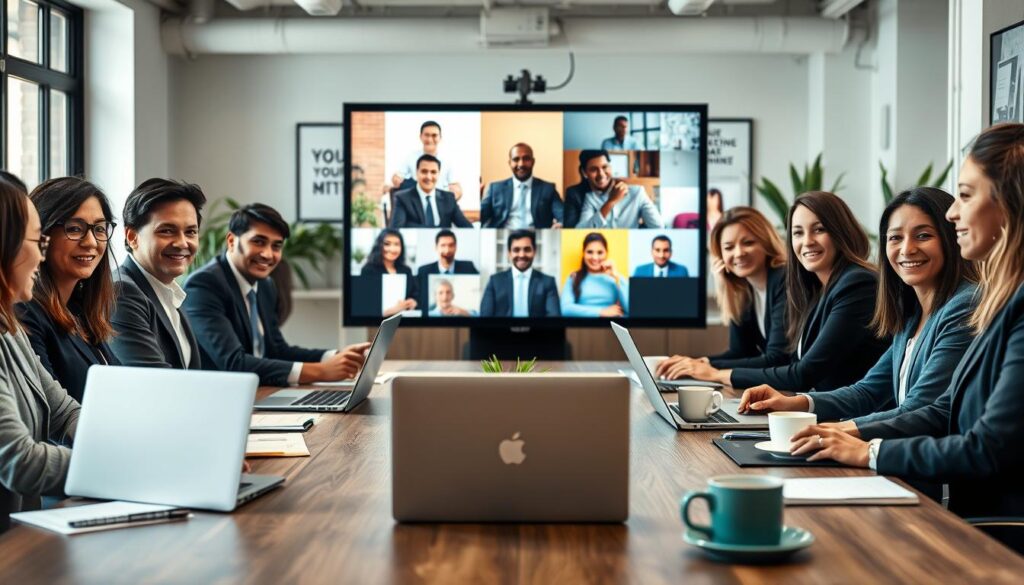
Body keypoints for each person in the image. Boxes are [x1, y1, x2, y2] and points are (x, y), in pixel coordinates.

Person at [788, 124, 1024, 527]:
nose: (954, 213)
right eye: (895, 238)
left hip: (989, 528)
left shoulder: (981, 304)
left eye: (965, 195)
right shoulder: (979, 304)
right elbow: (943, 408)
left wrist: (867, 449)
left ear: (1011, 202)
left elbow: (984, 446)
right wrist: (816, 419)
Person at [739, 188, 977, 427]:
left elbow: (919, 409)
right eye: (895, 238)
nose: (907, 249)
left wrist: (836, 430)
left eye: (923, 235)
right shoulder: (910, 314)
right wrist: (795, 403)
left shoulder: (963, 306)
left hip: (924, 456)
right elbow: (868, 391)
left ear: (951, 238)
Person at [668, 192, 889, 391]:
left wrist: (716, 373)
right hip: (825, 409)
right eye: (798, 233)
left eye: (819, 229)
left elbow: (797, 369)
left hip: (854, 419)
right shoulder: (814, 286)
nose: (807, 241)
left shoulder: (856, 283)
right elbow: (748, 353)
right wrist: (702, 365)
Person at [182, 204, 371, 386]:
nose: (267, 254)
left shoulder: (265, 285)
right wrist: (321, 371)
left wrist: (337, 357)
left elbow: (276, 350)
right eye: (258, 242)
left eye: (276, 246)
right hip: (219, 399)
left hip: (260, 392)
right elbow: (234, 363)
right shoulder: (204, 285)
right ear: (232, 241)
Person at [0, 181, 79, 532]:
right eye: (38, 241)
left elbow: (65, 412)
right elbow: (20, 461)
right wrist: (136, 466)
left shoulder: (11, 327)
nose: (42, 256)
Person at [15, 178, 120, 402]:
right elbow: (51, 412)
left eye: (99, 229)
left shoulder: (80, 310)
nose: (91, 242)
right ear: (41, 234)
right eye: (74, 229)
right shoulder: (25, 312)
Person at [656, 207, 788, 379]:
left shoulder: (783, 280)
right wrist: (699, 362)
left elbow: (777, 359)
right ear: (720, 255)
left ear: (766, 242)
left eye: (748, 242)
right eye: (729, 247)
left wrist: (706, 367)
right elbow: (740, 352)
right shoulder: (746, 290)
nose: (738, 253)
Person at [109, 178, 205, 369]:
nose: (182, 243)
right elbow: (154, 381)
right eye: (167, 231)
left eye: (191, 232)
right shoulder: (122, 292)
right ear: (132, 237)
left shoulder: (169, 289)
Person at [479, 230, 560, 318]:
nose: (521, 255)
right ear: (509, 253)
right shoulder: (495, 281)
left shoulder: (548, 282)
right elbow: (485, 318)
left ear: (534, 251)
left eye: (527, 249)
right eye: (516, 250)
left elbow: (554, 319)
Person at [480, 143, 563, 228]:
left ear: (533, 162)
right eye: (516, 159)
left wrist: (561, 224)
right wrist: (478, 198)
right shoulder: (495, 189)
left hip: (537, 237)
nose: (521, 164)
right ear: (510, 163)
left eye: (526, 159)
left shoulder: (548, 189)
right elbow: (482, 216)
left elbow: (562, 215)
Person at [575, 150, 663, 229]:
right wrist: (610, 202)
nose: (601, 174)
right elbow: (579, 231)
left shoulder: (637, 192)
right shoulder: (590, 198)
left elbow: (658, 226)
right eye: (594, 169)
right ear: (584, 173)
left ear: (611, 167)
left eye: (605, 167)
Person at [389, 155, 471, 228]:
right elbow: (395, 230)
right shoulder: (402, 198)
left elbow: (467, 228)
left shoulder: (448, 198)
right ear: (417, 173)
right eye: (424, 171)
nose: (429, 177)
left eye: (433, 172)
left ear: (438, 174)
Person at [388, 120, 462, 200]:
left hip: (439, 202)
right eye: (427, 135)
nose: (430, 139)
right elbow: (397, 177)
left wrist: (454, 195)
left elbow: (456, 186)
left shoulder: (447, 161)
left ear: (440, 138)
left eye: (434, 135)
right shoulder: (411, 157)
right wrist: (396, 180)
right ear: (421, 136)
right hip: (416, 201)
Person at [561, 232, 629, 317]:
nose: (595, 257)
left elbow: (630, 309)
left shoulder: (615, 279)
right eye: (590, 252)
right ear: (584, 253)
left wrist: (617, 276)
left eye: (600, 252)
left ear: (606, 253)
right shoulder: (574, 277)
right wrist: (601, 312)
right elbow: (566, 309)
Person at [361, 228, 418, 317]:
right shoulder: (368, 270)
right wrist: (393, 310)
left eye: (397, 244)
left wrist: (413, 302)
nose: (393, 249)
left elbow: (414, 294)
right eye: (387, 244)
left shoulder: (406, 270)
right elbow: (365, 306)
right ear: (379, 245)